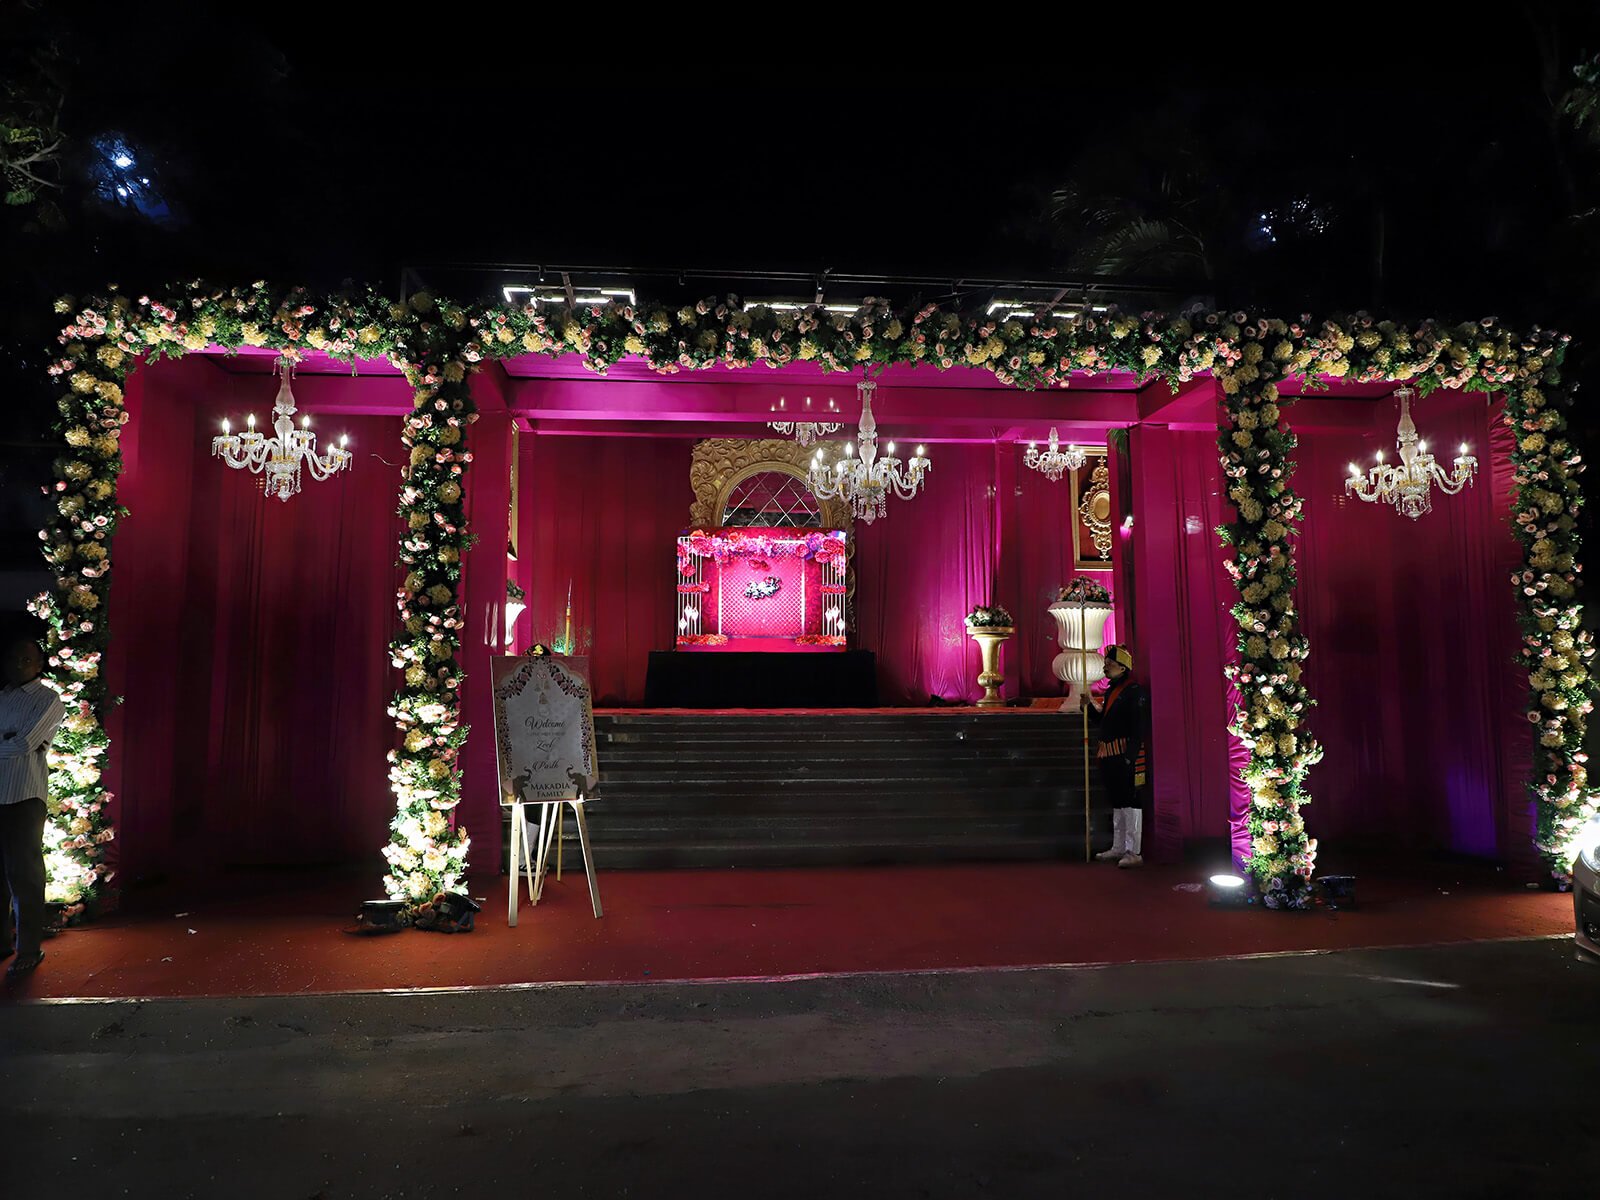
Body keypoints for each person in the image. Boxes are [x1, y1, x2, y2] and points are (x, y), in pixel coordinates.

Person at [0, 629, 66, 978]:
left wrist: (12, 739)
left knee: (24, 874)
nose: (19, 665)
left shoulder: (48, 699)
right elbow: (15, 741)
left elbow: (25, 743)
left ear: (39, 663)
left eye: (27, 659)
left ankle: (29, 948)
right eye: (13, 659)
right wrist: (7, 740)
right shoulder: (2, 697)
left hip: (24, 794)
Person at [1088, 643, 1148, 868]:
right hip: (1108, 753)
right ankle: (1118, 846)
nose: (1105, 667)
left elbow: (1138, 726)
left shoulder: (1134, 692)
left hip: (1125, 753)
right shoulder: (1112, 690)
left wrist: (1130, 756)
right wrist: (1089, 708)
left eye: (1109, 664)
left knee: (1130, 800)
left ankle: (1134, 851)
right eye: (1105, 663)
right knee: (1117, 801)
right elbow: (1103, 721)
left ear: (1123, 668)